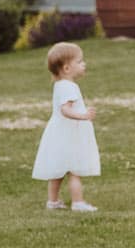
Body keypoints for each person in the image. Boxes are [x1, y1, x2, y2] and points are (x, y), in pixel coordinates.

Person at [32, 41, 99, 212]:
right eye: (79, 61)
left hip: (60, 133)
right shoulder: (69, 87)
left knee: (58, 169)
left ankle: (53, 202)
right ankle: (78, 202)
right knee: (74, 170)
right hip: (69, 134)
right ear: (67, 68)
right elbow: (65, 110)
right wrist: (83, 116)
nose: (84, 64)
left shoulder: (60, 85)